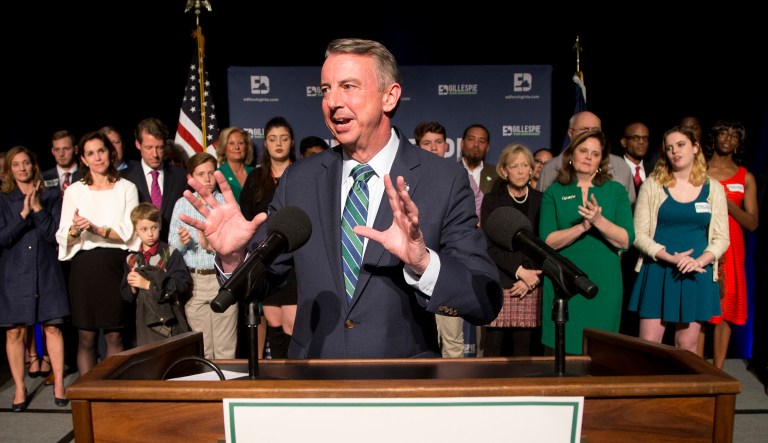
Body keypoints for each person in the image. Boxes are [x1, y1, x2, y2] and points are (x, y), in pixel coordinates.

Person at [179, 38, 502, 359]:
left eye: (348, 86)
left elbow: (484, 300)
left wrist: (424, 264)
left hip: (400, 381)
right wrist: (234, 257)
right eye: (326, 89)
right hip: (313, 377)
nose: (332, 101)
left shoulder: (443, 180)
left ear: (389, 96)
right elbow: (261, 281)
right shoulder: (299, 179)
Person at [629, 126, 729, 353]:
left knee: (687, 345)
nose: (675, 151)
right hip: (658, 269)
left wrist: (700, 261)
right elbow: (639, 234)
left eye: (681, 145)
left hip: (696, 271)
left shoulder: (713, 188)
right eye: (669, 148)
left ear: (695, 147)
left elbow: (722, 238)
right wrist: (669, 257)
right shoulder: (652, 185)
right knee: (649, 345)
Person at [539, 130, 634, 355]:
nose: (589, 157)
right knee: (562, 349)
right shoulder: (554, 192)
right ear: (571, 154)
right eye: (583, 151)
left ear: (601, 160)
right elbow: (547, 241)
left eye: (595, 153)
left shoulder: (615, 191)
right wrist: (582, 227)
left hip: (604, 281)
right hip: (564, 281)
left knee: (601, 351)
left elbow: (626, 240)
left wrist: (598, 220)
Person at [56, 131, 140, 376]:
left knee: (115, 335)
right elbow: (64, 234)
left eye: (101, 151)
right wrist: (75, 230)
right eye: (90, 153)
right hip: (85, 268)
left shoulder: (127, 188)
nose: (97, 157)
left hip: (115, 266)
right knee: (86, 336)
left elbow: (129, 232)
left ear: (109, 152)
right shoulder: (74, 191)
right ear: (83, 159)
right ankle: (87, 393)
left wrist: (96, 229)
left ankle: (112, 393)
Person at [1, 146, 71, 410]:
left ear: (34, 165)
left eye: (26, 163)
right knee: (14, 331)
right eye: (16, 164)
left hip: (46, 270)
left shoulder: (52, 195)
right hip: (15, 273)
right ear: (10, 169)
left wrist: (38, 208)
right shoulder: (3, 199)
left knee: (53, 327)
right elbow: (3, 238)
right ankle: (20, 389)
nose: (22, 168)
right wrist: (23, 215)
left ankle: (60, 384)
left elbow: (54, 235)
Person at [698, 121, 758, 368]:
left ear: (738, 143)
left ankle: (718, 370)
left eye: (734, 136)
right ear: (714, 138)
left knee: (726, 309)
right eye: (724, 133)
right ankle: (696, 368)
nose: (728, 138)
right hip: (702, 242)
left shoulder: (746, 177)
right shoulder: (699, 171)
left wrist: (729, 205)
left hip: (732, 249)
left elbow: (752, 223)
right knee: (700, 308)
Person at [239, 116, 298, 359]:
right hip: (268, 259)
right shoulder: (256, 177)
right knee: (273, 321)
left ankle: (298, 376)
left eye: (284, 138)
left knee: (292, 323)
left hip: (297, 261)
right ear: (265, 144)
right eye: (273, 139)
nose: (278, 144)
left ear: (292, 142)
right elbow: (246, 219)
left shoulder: (302, 173)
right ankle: (280, 377)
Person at [170, 153, 238, 359]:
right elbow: (171, 248)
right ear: (190, 177)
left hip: (222, 279)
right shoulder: (181, 204)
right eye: (201, 174)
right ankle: (206, 380)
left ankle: (227, 381)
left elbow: (237, 245)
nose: (207, 179)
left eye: (211, 173)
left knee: (225, 348)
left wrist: (213, 247)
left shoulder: (226, 203)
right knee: (203, 348)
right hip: (195, 281)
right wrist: (182, 242)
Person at [480, 143, 543, 356]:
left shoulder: (541, 200)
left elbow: (543, 244)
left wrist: (530, 277)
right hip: (501, 280)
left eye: (525, 165)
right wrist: (519, 271)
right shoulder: (492, 201)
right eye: (514, 166)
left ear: (531, 169)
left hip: (530, 283)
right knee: (493, 347)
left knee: (524, 348)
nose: (520, 171)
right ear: (504, 171)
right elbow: (489, 245)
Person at [413, 121, 466, 358]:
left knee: (452, 342)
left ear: (446, 146)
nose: (433, 148)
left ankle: (455, 384)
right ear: (417, 147)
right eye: (427, 143)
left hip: (448, 274)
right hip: (413, 276)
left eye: (438, 142)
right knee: (417, 344)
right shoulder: (406, 178)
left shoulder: (457, 178)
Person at [121, 203, 191, 346]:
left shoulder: (170, 253)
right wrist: (132, 287)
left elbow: (182, 285)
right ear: (135, 231)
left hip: (170, 319)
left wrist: (148, 285)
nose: (150, 234)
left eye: (153, 227)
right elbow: (126, 295)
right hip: (144, 323)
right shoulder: (132, 259)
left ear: (160, 226)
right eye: (144, 229)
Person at [536, 111, 636, 205]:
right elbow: (540, 206)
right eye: (584, 130)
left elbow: (630, 209)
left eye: (595, 131)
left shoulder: (621, 167)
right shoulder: (550, 169)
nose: (590, 134)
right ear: (570, 133)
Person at [122, 118, 188, 244]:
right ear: (138, 144)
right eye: (149, 148)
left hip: (173, 249)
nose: (155, 154)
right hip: (138, 250)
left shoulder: (180, 176)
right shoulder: (125, 178)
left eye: (159, 148)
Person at [618, 122, 655, 337]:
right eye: (636, 138)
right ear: (624, 142)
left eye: (645, 138)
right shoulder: (612, 168)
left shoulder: (657, 170)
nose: (641, 142)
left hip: (648, 248)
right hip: (622, 248)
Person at [215, 127, 255, 204]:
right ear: (224, 147)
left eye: (241, 143)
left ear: (247, 147)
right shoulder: (218, 174)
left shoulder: (256, 173)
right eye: (231, 143)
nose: (237, 147)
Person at [460, 123, 499, 194]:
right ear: (462, 144)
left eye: (482, 141)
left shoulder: (497, 174)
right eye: (471, 139)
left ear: (487, 148)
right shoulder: (450, 172)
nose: (476, 145)